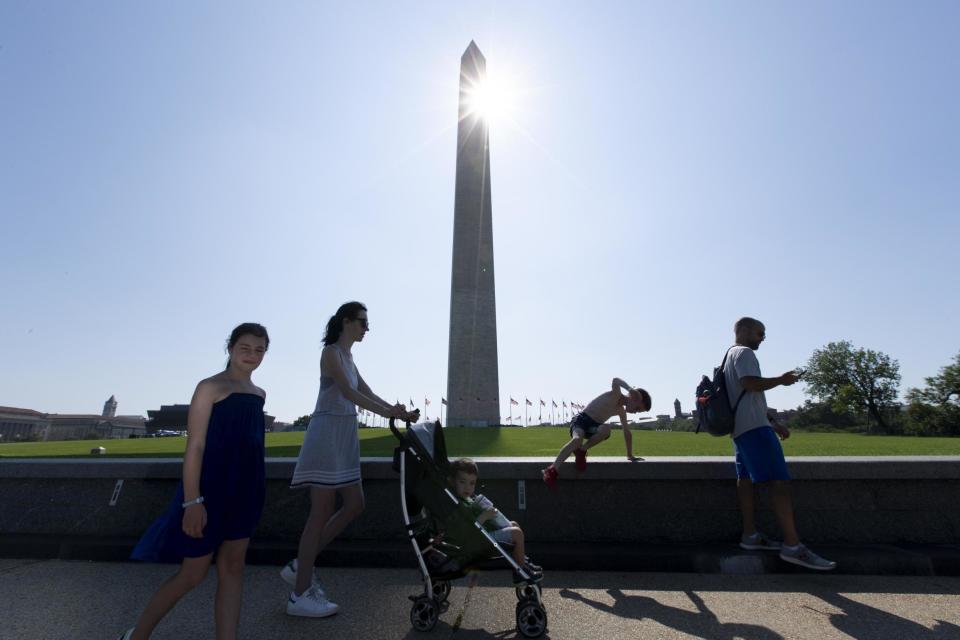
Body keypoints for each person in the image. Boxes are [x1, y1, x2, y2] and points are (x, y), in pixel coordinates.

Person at [117, 323, 271, 640]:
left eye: (259, 350)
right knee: (192, 573)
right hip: (209, 491)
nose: (252, 355)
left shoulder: (259, 395)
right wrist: (192, 501)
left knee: (233, 567)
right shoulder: (209, 387)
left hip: (246, 490)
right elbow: (196, 445)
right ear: (230, 348)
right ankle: (136, 636)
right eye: (245, 348)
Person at [284, 301, 419, 618]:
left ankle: (300, 565)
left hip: (344, 435)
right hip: (327, 433)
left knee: (355, 503)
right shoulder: (330, 352)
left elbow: (367, 392)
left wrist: (397, 412)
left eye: (367, 324)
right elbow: (348, 393)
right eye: (362, 322)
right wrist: (388, 413)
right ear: (346, 322)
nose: (366, 329)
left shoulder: (348, 357)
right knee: (320, 512)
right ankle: (299, 594)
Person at [725, 317, 836, 570]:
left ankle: (750, 536)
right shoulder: (743, 352)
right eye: (759, 333)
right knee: (780, 483)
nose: (763, 338)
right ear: (743, 330)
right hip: (754, 429)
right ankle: (793, 546)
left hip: (741, 430)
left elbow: (744, 397)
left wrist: (773, 422)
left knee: (745, 482)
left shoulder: (729, 356)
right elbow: (750, 384)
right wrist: (781, 380)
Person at [542, 378, 651, 489]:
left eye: (638, 411)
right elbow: (615, 380)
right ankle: (552, 469)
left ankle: (582, 451)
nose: (635, 412)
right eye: (637, 408)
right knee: (577, 439)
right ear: (634, 397)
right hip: (580, 421)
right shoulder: (616, 394)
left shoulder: (621, 411)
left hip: (593, 427)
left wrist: (630, 455)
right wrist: (630, 389)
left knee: (606, 429)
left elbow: (627, 432)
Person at [449, 457, 542, 582]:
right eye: (462, 482)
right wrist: (484, 516)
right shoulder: (458, 505)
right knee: (517, 534)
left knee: (514, 524)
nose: (467, 487)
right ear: (453, 482)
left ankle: (522, 562)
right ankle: (520, 571)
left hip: (483, 536)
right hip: (477, 542)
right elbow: (467, 530)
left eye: (471, 483)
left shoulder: (467, 500)